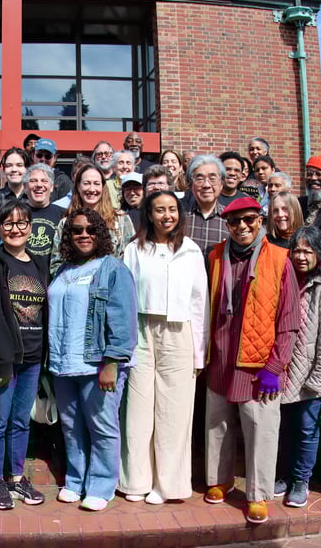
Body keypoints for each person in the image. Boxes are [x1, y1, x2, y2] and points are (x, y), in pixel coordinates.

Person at [203, 197, 299, 525]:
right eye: (234, 222)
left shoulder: (280, 258)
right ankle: (220, 480)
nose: (241, 227)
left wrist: (276, 366)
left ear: (260, 221)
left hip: (259, 362)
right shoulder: (216, 255)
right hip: (221, 355)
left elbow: (289, 319)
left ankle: (257, 494)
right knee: (217, 422)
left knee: (260, 428)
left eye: (248, 220)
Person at [119, 191, 209, 505]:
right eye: (160, 210)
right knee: (138, 409)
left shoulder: (190, 250)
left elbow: (199, 302)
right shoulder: (134, 249)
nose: (167, 216)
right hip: (141, 330)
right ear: (149, 214)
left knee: (174, 411)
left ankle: (168, 485)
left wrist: (199, 352)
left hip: (178, 332)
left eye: (172, 209)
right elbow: (125, 296)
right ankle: (136, 480)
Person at [49, 207, 137, 511]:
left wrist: (112, 361)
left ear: (100, 234)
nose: (83, 235)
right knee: (71, 428)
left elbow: (123, 318)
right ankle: (75, 481)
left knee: (102, 427)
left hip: (97, 363)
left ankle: (101, 486)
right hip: (62, 364)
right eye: (77, 230)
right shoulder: (62, 270)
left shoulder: (112, 268)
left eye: (90, 230)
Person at [0, 199, 48, 511]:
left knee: (20, 422)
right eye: (8, 223)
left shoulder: (39, 263)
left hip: (33, 357)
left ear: (30, 227)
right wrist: (3, 360)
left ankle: (16, 478)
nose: (15, 229)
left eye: (21, 223)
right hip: (3, 360)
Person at [274, 226, 321, 508]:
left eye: (308, 251)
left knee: (306, 430)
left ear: (319, 253)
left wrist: (319, 378)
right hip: (284, 371)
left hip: (309, 376)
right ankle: (285, 475)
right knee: (284, 428)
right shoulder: (285, 277)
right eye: (297, 250)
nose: (301, 256)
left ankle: (301, 480)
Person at [50, 164, 135, 274]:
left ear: (103, 187)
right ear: (78, 186)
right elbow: (56, 264)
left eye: (96, 183)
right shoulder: (65, 222)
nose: (91, 189)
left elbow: (130, 260)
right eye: (86, 183)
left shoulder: (121, 219)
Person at [184, 155, 229, 258]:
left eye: (212, 179)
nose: (206, 185)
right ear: (191, 185)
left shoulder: (230, 219)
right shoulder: (179, 217)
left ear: (221, 184)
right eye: (199, 179)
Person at [23, 164, 64, 264]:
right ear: (25, 187)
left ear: (52, 187)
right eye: (33, 181)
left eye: (44, 181)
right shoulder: (16, 214)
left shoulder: (64, 215)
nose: (39, 185)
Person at [31, 138, 73, 202]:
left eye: (48, 156)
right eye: (39, 155)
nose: (43, 159)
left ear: (55, 158)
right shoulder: (26, 178)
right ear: (33, 155)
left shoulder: (63, 181)